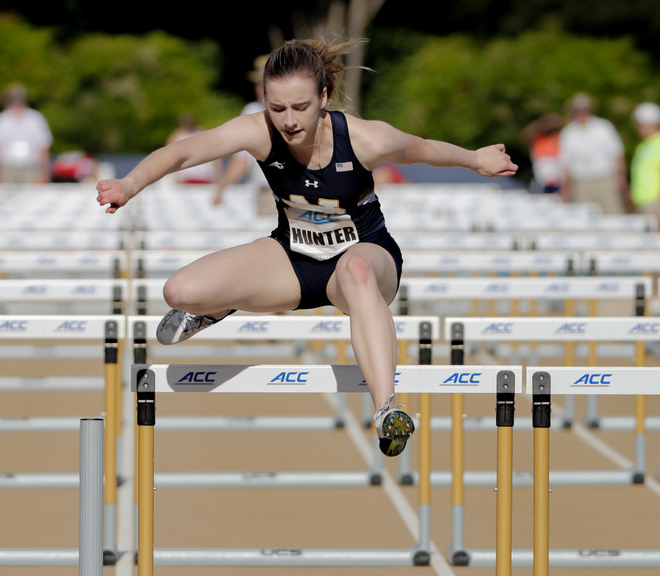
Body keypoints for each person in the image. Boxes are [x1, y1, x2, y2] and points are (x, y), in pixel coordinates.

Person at [96, 38, 517, 457]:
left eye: (301, 108)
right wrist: (129, 184)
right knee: (180, 292)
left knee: (355, 273)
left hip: (365, 256)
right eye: (277, 108)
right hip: (294, 258)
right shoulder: (258, 131)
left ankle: (388, 410)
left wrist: (476, 159)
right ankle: (216, 307)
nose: (289, 121)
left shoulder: (366, 139)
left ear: (324, 96)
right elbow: (186, 152)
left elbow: (423, 149)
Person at [212, 54, 273, 212]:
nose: (261, 89)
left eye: (265, 83)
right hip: (267, 194)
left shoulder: (296, 113)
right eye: (259, 84)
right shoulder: (251, 111)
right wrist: (222, 188)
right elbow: (241, 160)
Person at [558, 92, 629, 214]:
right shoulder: (568, 133)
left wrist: (621, 178)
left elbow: (617, 154)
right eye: (578, 110)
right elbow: (565, 163)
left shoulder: (604, 127)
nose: (582, 113)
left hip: (605, 178)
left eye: (585, 109)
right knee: (584, 217)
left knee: (613, 214)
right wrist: (566, 187)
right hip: (581, 181)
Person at [0, 83, 53, 184]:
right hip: (7, 168)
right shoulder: (0, 121)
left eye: (20, 98)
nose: (17, 101)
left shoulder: (36, 119)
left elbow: (43, 148)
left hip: (31, 167)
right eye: (14, 98)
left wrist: (44, 172)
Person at [629, 102, 660, 231]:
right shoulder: (644, 145)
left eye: (641, 124)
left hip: (655, 203)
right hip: (644, 203)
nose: (639, 128)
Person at [166, 113, 222, 185]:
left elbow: (215, 154)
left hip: (204, 175)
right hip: (186, 177)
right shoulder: (176, 135)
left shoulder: (202, 132)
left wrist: (218, 175)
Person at [520, 113, 564, 194]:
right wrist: (540, 123)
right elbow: (524, 135)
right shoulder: (537, 140)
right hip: (541, 183)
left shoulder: (559, 138)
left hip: (559, 182)